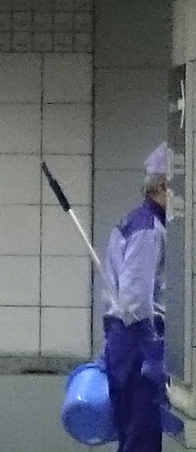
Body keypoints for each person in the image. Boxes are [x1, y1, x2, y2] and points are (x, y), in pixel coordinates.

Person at [101, 143, 170, 452]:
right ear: (163, 187)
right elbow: (135, 298)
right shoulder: (149, 229)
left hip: (124, 340)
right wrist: (151, 345)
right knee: (142, 437)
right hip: (139, 342)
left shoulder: (134, 221)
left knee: (132, 435)